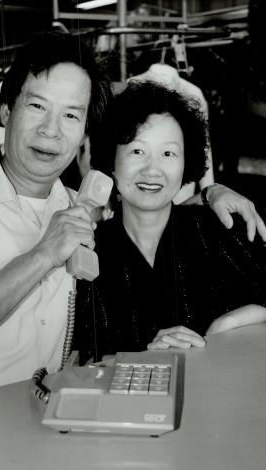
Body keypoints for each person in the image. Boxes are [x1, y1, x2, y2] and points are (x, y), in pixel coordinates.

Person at [0, 32, 264, 401]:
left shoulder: (85, 211)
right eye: (37, 106)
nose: (51, 129)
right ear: (6, 110)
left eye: (71, 115)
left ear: (83, 133)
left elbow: (147, 204)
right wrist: (44, 254)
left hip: (52, 422)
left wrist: (208, 193)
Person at [74, 81, 266, 364]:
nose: (152, 170)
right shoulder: (90, 251)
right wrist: (145, 357)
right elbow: (84, 360)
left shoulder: (221, 229)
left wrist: (223, 328)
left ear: (186, 162)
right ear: (112, 163)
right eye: (137, 151)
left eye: (168, 154)